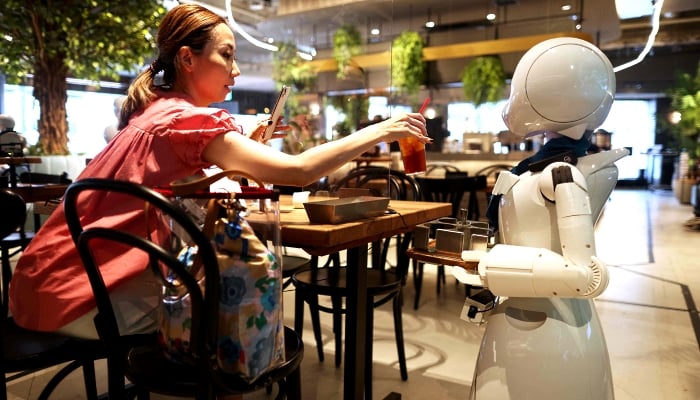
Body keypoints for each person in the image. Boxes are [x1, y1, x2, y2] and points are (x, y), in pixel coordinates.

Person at [8, 3, 428, 342]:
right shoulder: (184, 121)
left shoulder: (153, 113)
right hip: (87, 302)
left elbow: (179, 180)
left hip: (41, 286)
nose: (237, 69)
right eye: (226, 55)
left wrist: (246, 149)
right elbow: (298, 172)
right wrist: (381, 130)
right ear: (187, 59)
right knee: (238, 308)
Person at [454, 37, 628, 399]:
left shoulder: (563, 174)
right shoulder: (543, 168)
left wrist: (491, 265)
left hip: (554, 330)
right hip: (519, 317)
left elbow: (585, 276)